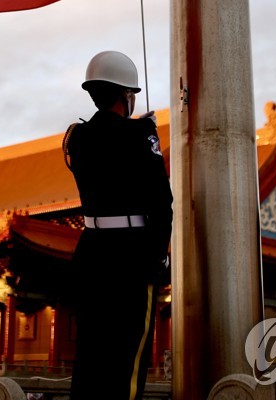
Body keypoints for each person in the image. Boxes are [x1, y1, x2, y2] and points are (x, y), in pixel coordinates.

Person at [63, 50, 173, 400]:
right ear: (126, 95)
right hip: (131, 257)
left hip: (91, 253)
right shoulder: (140, 135)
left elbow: (104, 143)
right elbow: (162, 203)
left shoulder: (76, 137)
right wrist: (159, 257)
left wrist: (139, 129)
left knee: (91, 357)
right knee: (128, 357)